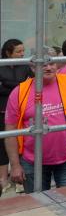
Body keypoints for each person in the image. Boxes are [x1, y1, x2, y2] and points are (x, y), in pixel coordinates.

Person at [3, 46, 66, 192]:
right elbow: (10, 131)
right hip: (31, 162)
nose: (49, 68)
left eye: (51, 63)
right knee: (38, 203)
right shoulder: (19, 92)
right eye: (43, 64)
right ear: (33, 68)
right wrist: (15, 165)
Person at [0, 39, 33, 195]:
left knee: (20, 142)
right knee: (2, 145)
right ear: (8, 53)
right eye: (18, 51)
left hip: (20, 112)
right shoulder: (1, 65)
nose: (22, 54)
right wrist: (19, 86)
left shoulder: (25, 66)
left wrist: (5, 84)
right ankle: (3, 179)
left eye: (23, 51)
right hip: (2, 110)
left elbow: (31, 85)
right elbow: (21, 87)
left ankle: (20, 179)